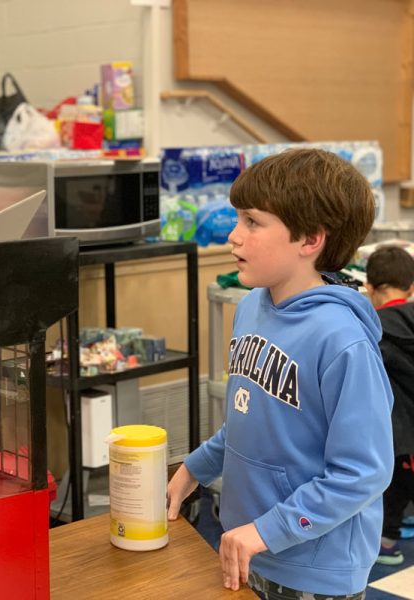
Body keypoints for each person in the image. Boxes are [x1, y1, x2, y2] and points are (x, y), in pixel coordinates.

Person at [167, 148, 394, 599]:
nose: (233, 236)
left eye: (252, 222)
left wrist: (267, 530)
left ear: (310, 239)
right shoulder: (251, 307)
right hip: (248, 546)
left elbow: (363, 472)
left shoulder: (343, 340)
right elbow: (253, 419)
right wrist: (194, 468)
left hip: (314, 566)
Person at [365, 245, 414, 566]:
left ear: (369, 288)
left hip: (394, 430)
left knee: (390, 489)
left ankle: (386, 542)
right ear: (411, 288)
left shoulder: (371, 327)